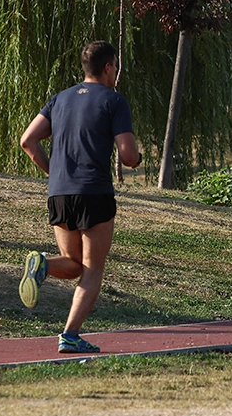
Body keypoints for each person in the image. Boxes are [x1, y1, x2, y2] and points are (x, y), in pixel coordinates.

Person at [18, 40, 141, 353]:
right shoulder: (114, 101)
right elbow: (128, 156)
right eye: (116, 66)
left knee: (73, 265)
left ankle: (42, 264)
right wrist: (138, 160)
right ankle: (70, 336)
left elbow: (28, 141)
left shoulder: (59, 99)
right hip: (94, 193)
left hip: (59, 193)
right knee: (93, 269)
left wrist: (55, 173)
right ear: (109, 67)